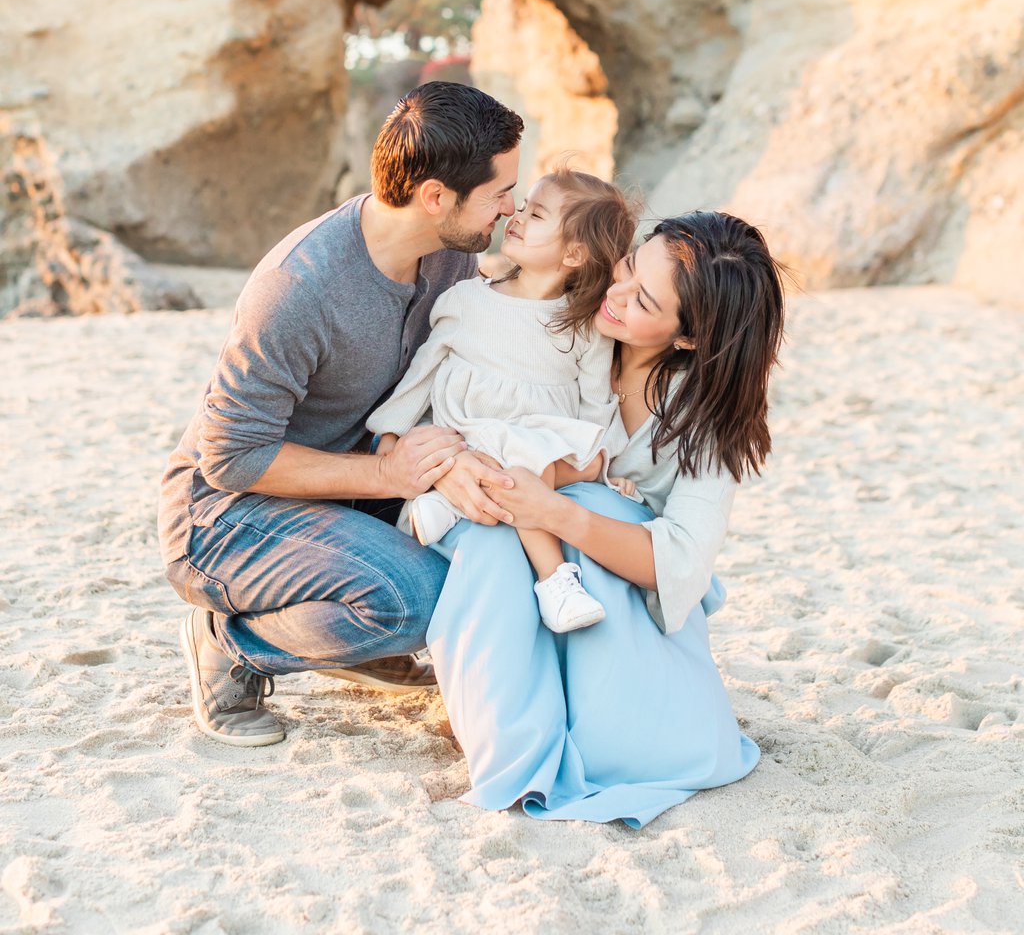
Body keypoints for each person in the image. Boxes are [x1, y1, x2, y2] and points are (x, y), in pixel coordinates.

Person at [157, 81, 524, 747]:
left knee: (498, 529)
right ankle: (232, 641)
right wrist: (391, 474)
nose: (511, 207)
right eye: (501, 192)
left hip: (349, 485)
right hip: (223, 515)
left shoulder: (449, 254)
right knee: (416, 599)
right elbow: (232, 458)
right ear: (436, 197)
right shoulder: (299, 290)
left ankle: (351, 633)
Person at [424, 210, 786, 827]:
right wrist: (450, 465)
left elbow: (680, 562)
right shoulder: (550, 326)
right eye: (628, 268)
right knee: (492, 533)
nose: (615, 296)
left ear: (687, 337)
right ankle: (510, 730)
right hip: (495, 537)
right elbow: (456, 400)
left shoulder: (703, 422)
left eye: (643, 300)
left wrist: (559, 510)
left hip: (616, 592)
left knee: (593, 505)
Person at [368, 170, 637, 632]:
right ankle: (554, 579)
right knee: (509, 459)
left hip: (538, 445)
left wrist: (608, 466)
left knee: (527, 461)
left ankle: (521, 559)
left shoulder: (582, 326)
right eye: (523, 204)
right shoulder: (467, 299)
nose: (515, 215)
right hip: (469, 430)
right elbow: (424, 370)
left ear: (573, 253)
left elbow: (598, 402)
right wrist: (390, 435)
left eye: (536, 214)